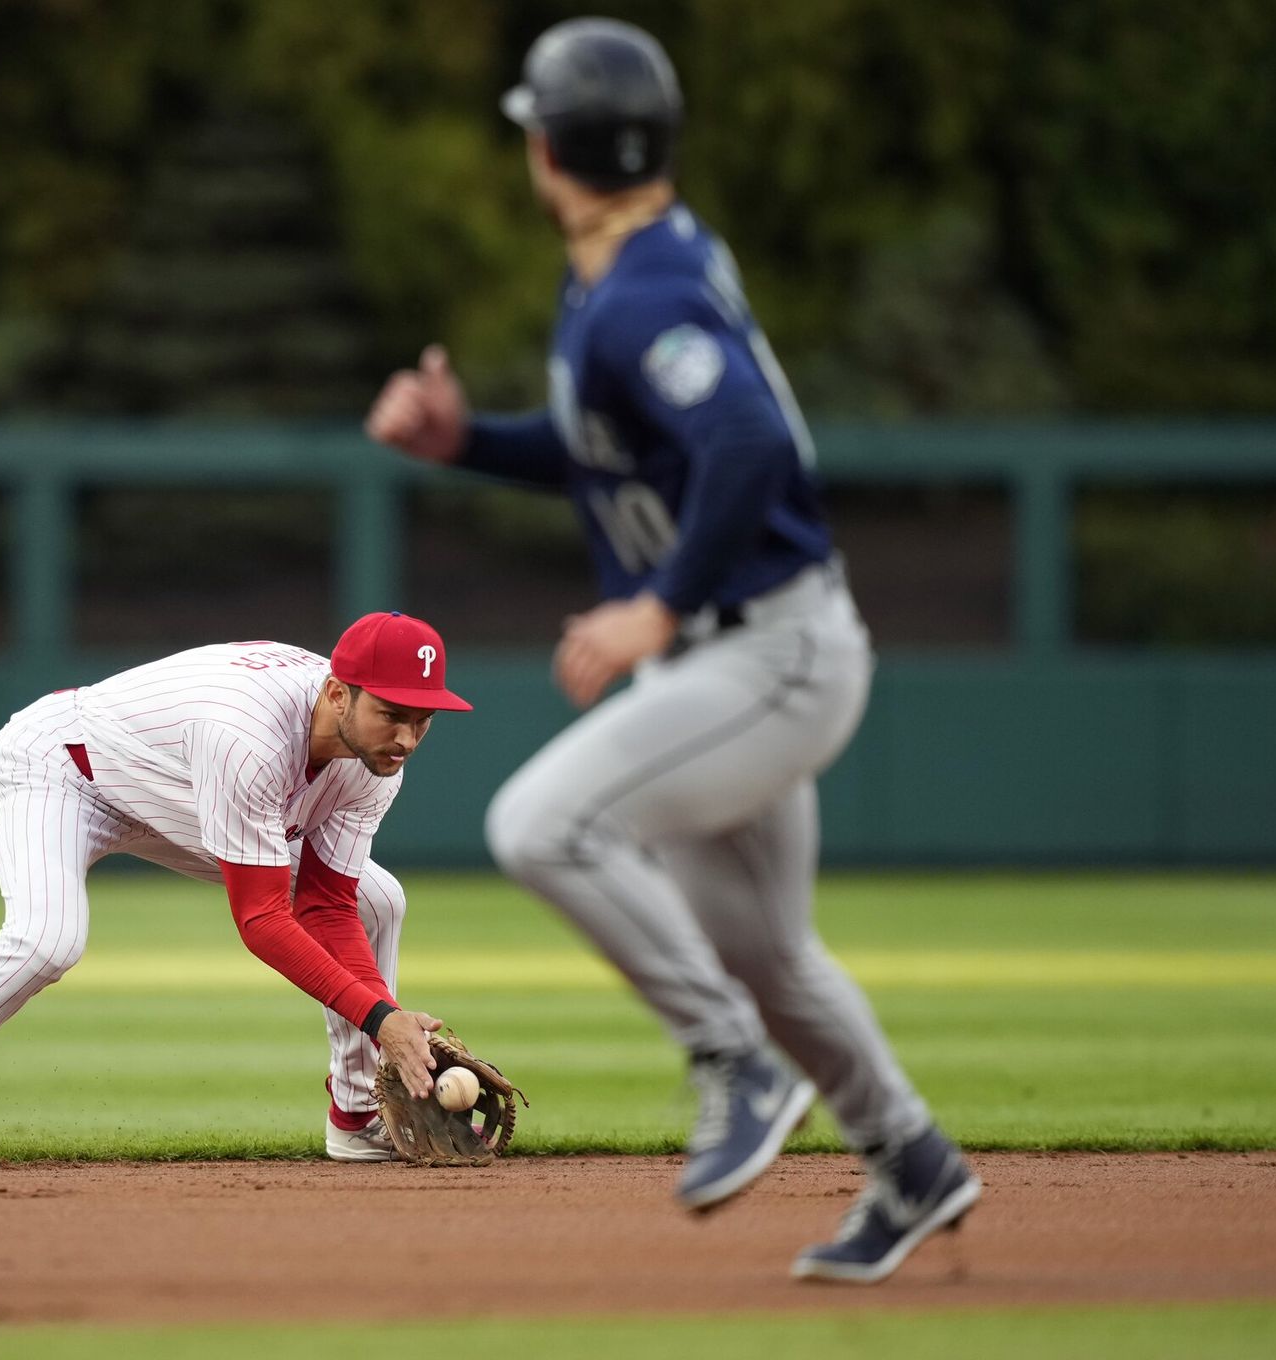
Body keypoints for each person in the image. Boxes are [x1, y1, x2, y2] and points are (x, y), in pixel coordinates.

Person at [363, 17, 979, 1284]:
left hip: (765, 650)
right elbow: (612, 443)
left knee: (543, 823)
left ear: (548, 148)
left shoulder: (638, 288)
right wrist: (467, 441)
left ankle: (730, 1058)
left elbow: (748, 446)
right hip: (743, 654)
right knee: (770, 951)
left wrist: (656, 604)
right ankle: (911, 1159)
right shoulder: (639, 266)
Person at [0, 612, 472, 1168]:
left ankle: (357, 1118)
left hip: (177, 791)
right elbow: (264, 919)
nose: (409, 738)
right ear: (337, 693)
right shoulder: (249, 734)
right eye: (393, 714)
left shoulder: (375, 762)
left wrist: (383, 1021)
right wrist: (382, 1017)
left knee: (374, 899)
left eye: (425, 719)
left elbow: (326, 904)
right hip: (65, 771)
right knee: (47, 942)